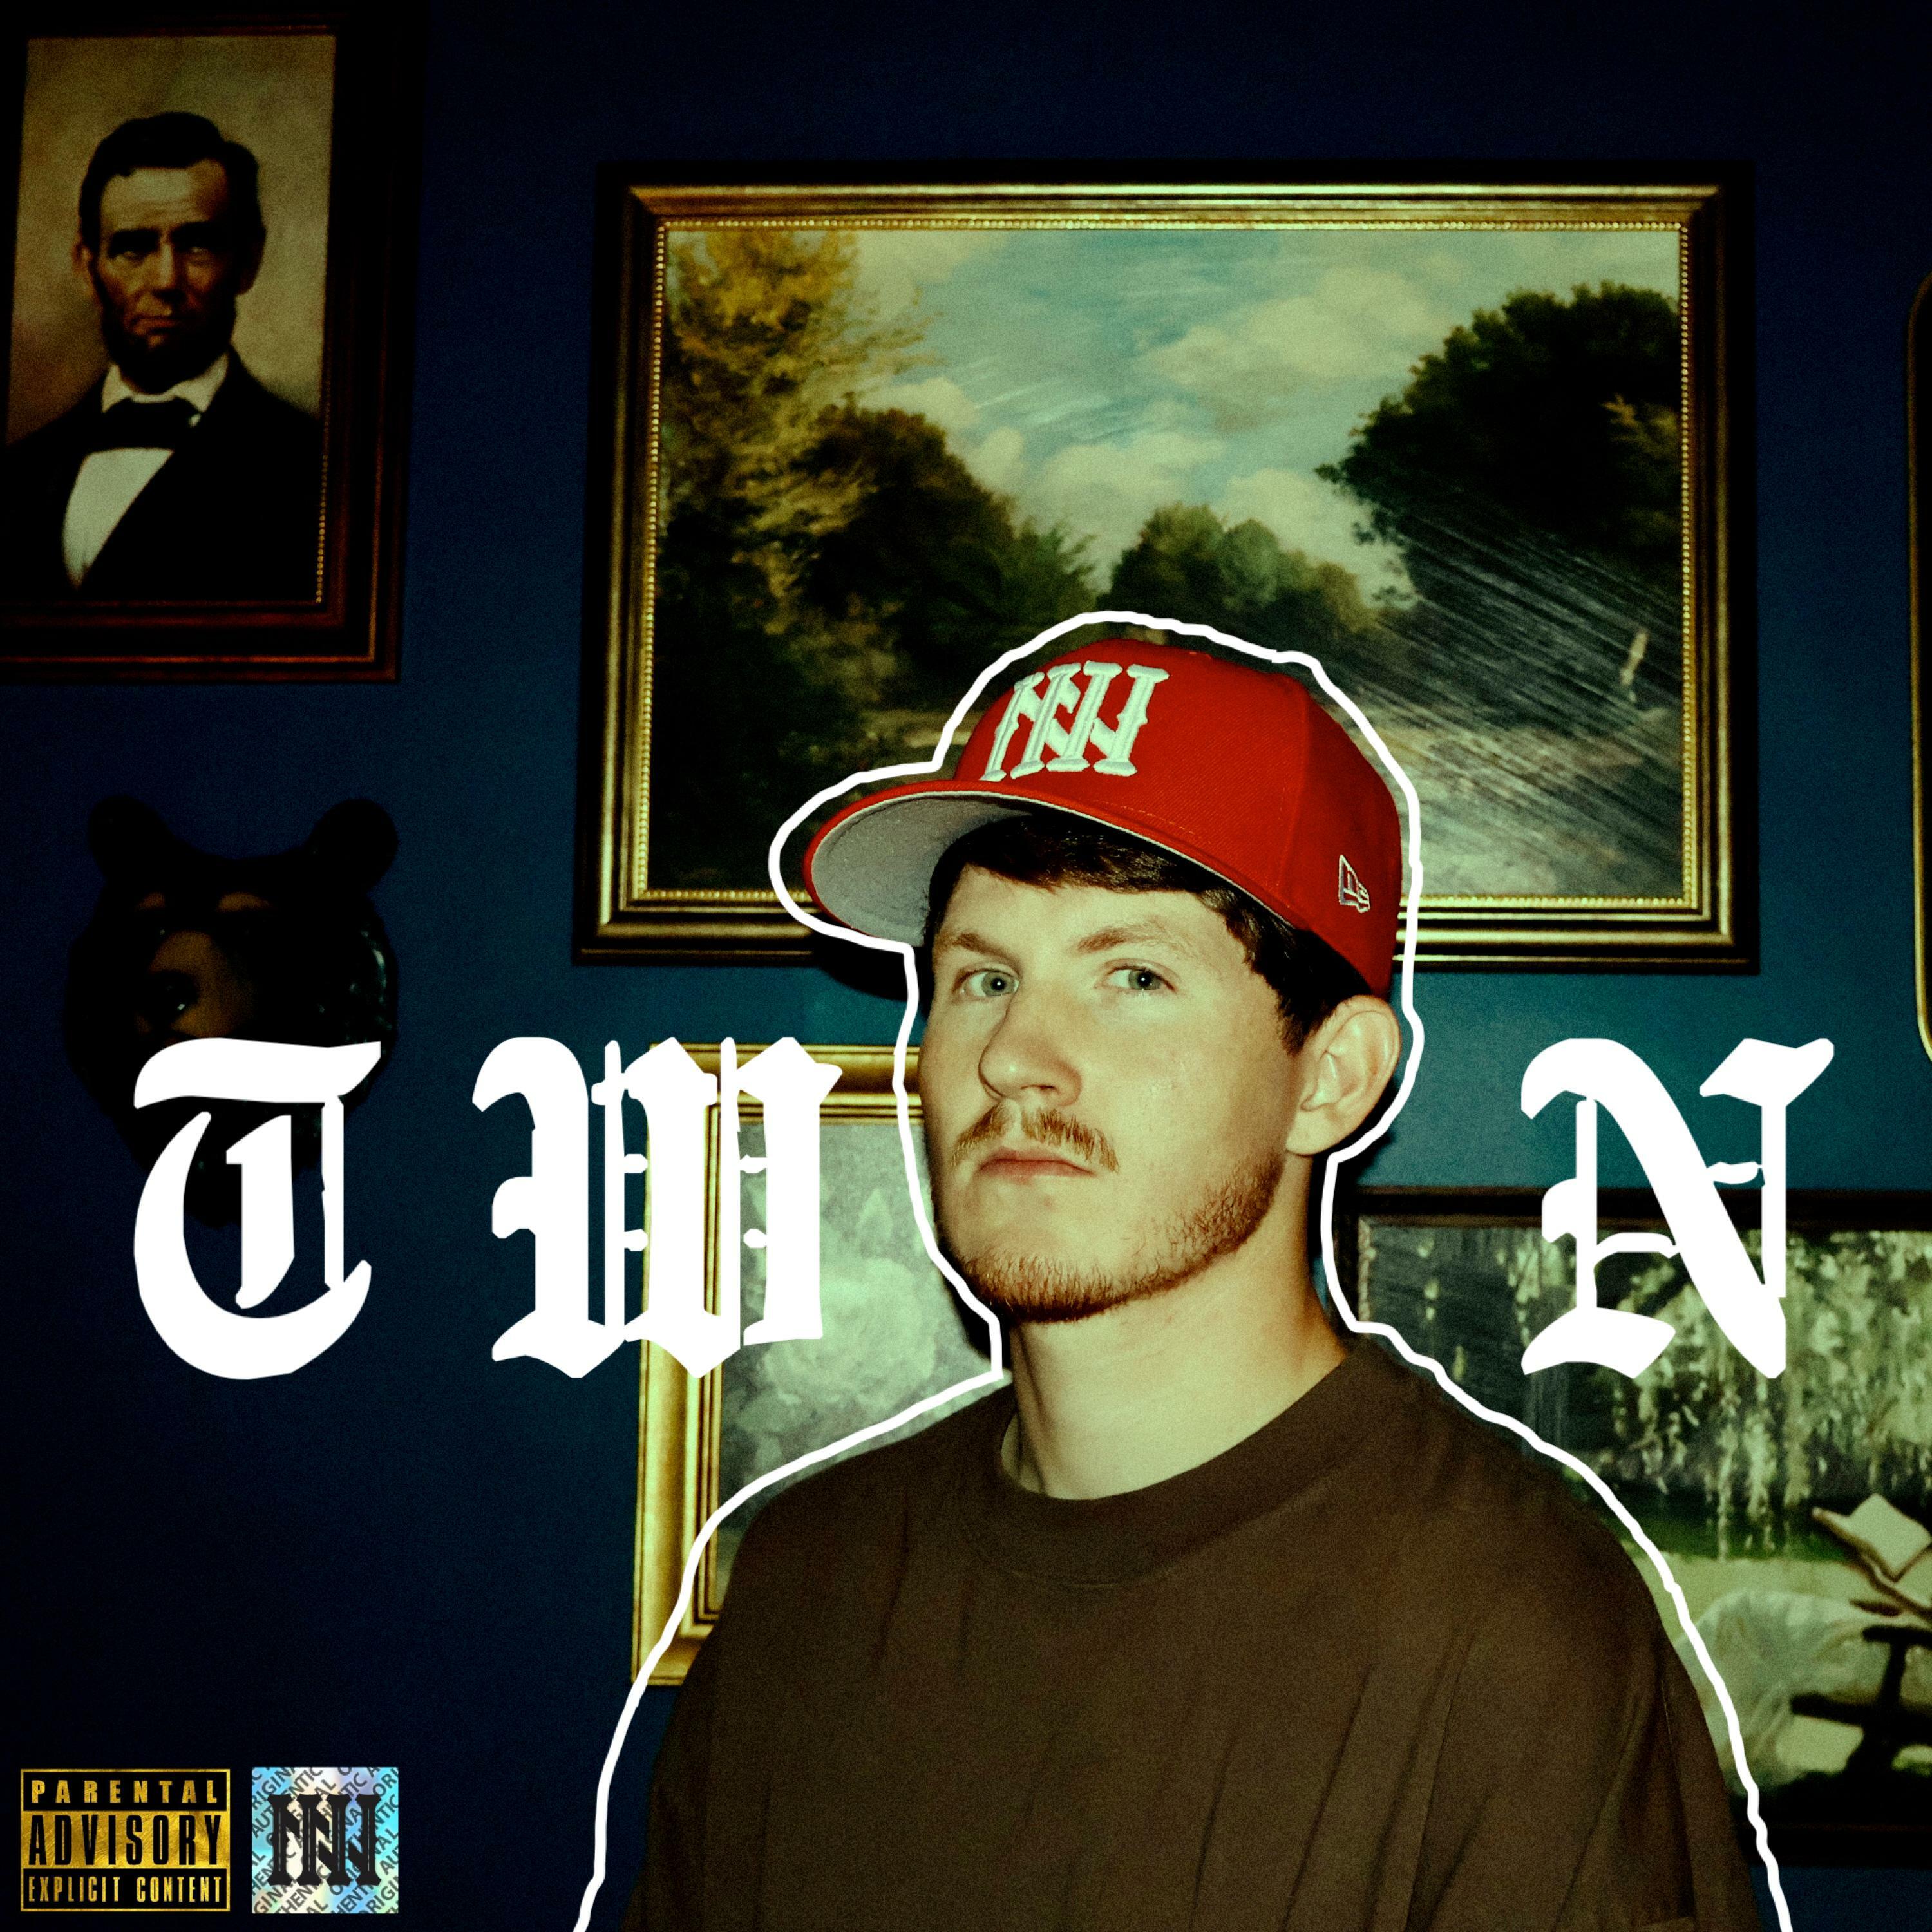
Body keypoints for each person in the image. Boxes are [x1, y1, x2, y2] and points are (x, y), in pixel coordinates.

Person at [628, 639, 1761, 1931]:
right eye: (983, 978)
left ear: (1329, 1077)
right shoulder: (809, 1582)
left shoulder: (1512, 1632)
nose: (1015, 1057)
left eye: (1135, 977)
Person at [1, 111, 321, 601]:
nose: (167, 280)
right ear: (87, 268)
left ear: (248, 261)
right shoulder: (17, 473)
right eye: (133, 249)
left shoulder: (312, 469)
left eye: (197, 245)